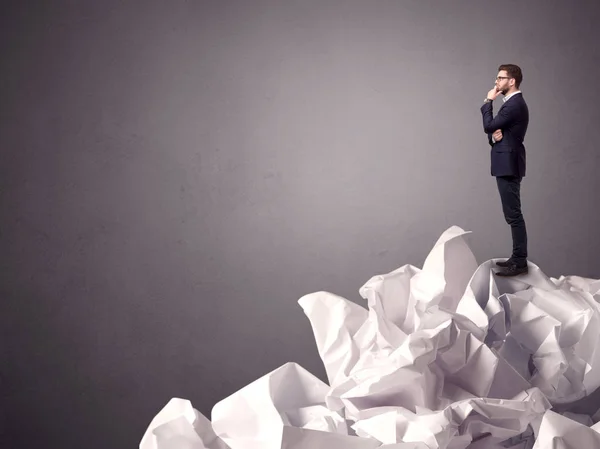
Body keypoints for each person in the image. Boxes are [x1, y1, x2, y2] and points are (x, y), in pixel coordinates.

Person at [480, 64, 529, 276]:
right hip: (507, 162)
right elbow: (496, 132)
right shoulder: (510, 104)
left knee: (514, 215)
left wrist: (488, 100)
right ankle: (517, 257)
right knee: (512, 214)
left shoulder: (514, 104)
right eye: (496, 78)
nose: (496, 82)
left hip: (509, 165)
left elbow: (488, 125)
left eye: (501, 78)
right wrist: (494, 138)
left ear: (512, 81)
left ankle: (519, 262)